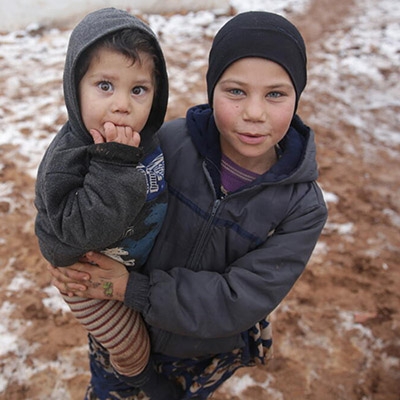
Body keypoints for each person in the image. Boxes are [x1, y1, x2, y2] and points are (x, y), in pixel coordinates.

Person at [48, 11, 328, 400]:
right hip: (124, 325)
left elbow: (239, 298)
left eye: (276, 94)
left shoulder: (302, 207)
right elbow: (91, 199)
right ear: (211, 88)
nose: (254, 113)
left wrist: (136, 289)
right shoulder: (168, 143)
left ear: (298, 94)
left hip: (202, 348)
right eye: (235, 91)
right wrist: (68, 260)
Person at [34, 7, 182, 400]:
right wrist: (113, 163)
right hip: (86, 277)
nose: (122, 104)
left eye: (138, 90)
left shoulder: (146, 138)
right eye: (104, 86)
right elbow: (81, 230)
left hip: (132, 263)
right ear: (74, 87)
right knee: (130, 343)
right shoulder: (68, 158)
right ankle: (142, 381)